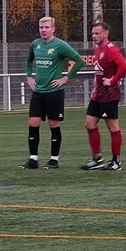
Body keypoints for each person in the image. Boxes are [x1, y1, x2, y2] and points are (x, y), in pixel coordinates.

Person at [21, 16, 87, 170]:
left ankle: (54, 159)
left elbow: (80, 61)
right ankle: (33, 159)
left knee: (53, 124)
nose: (43, 30)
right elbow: (28, 61)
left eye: (47, 27)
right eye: (41, 27)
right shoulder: (35, 44)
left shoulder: (60, 45)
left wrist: (66, 78)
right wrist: (29, 77)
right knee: (33, 123)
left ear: (53, 29)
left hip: (54, 92)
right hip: (38, 92)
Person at [80, 23, 126, 171]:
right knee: (89, 124)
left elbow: (124, 67)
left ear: (105, 34)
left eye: (97, 33)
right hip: (98, 94)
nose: (94, 36)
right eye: (93, 33)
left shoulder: (111, 49)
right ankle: (97, 159)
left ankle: (116, 161)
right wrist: (96, 84)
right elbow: (100, 71)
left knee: (113, 127)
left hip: (109, 95)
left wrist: (112, 81)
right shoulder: (98, 49)